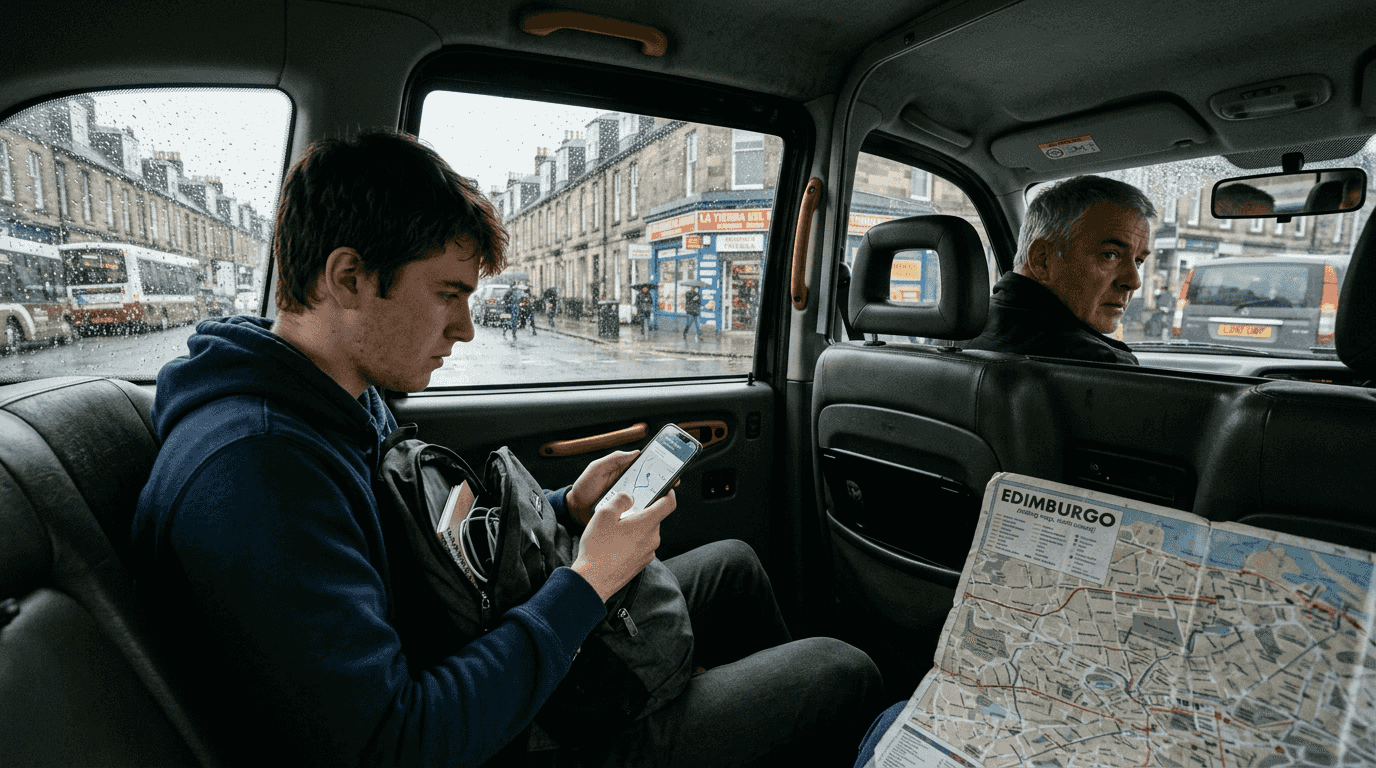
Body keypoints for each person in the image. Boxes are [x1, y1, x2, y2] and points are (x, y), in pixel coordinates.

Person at [130, 131, 882, 768]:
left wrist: (568, 506)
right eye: (448, 294)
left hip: (476, 660)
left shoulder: (342, 400)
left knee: (735, 569)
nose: (465, 329)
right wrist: (584, 587)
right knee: (840, 671)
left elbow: (443, 551)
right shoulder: (257, 475)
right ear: (348, 277)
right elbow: (395, 741)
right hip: (492, 738)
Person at [964, 174, 1154, 364]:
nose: (1134, 282)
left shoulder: (960, 333)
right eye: (1109, 255)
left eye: (1138, 261)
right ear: (1043, 261)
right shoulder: (1100, 363)